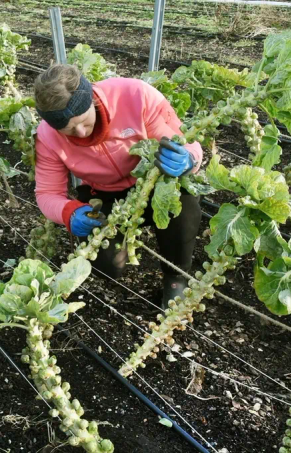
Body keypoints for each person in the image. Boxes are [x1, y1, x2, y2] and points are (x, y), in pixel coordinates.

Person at [33, 64, 203, 308]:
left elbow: (187, 143)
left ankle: (176, 277)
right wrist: (68, 212)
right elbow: (47, 193)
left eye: (83, 121)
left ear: (91, 99)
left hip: (152, 181)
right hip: (103, 193)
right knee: (106, 265)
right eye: (68, 130)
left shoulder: (135, 96)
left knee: (183, 210)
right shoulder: (47, 136)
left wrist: (188, 160)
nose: (80, 132)